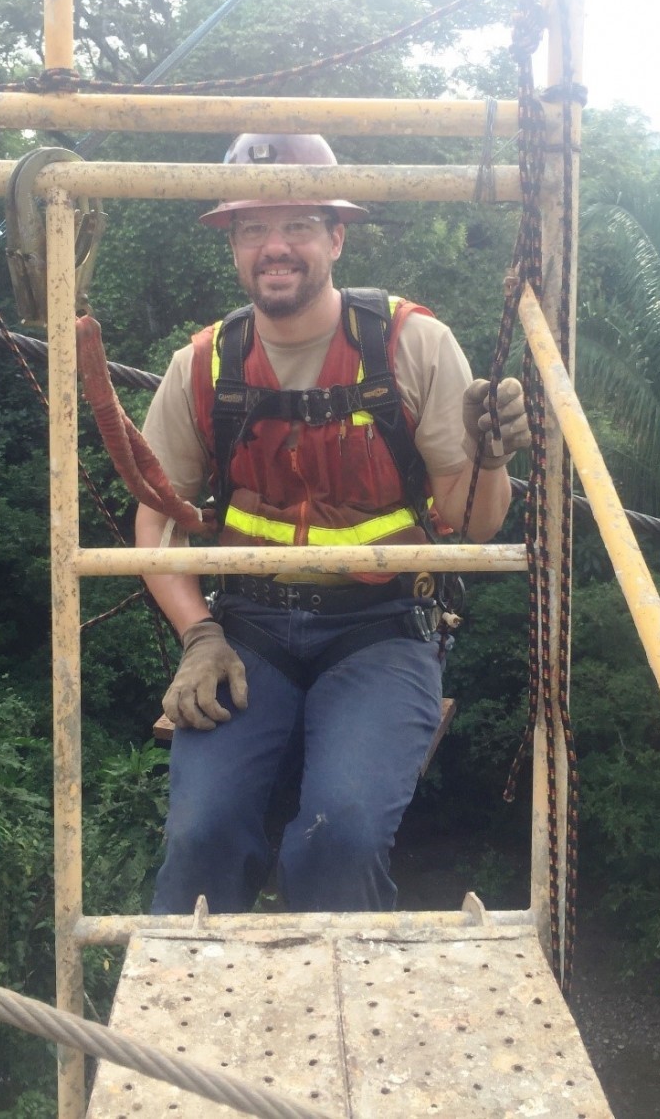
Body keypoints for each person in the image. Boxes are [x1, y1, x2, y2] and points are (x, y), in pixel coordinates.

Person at [135, 133, 530, 915]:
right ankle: (193, 989)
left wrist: (490, 459)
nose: (274, 247)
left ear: (337, 237)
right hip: (247, 631)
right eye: (253, 229)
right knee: (201, 835)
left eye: (299, 226)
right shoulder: (205, 366)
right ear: (233, 246)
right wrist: (199, 634)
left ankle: (346, 990)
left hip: (382, 627)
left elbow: (472, 525)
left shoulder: (408, 346)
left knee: (337, 835)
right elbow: (159, 521)